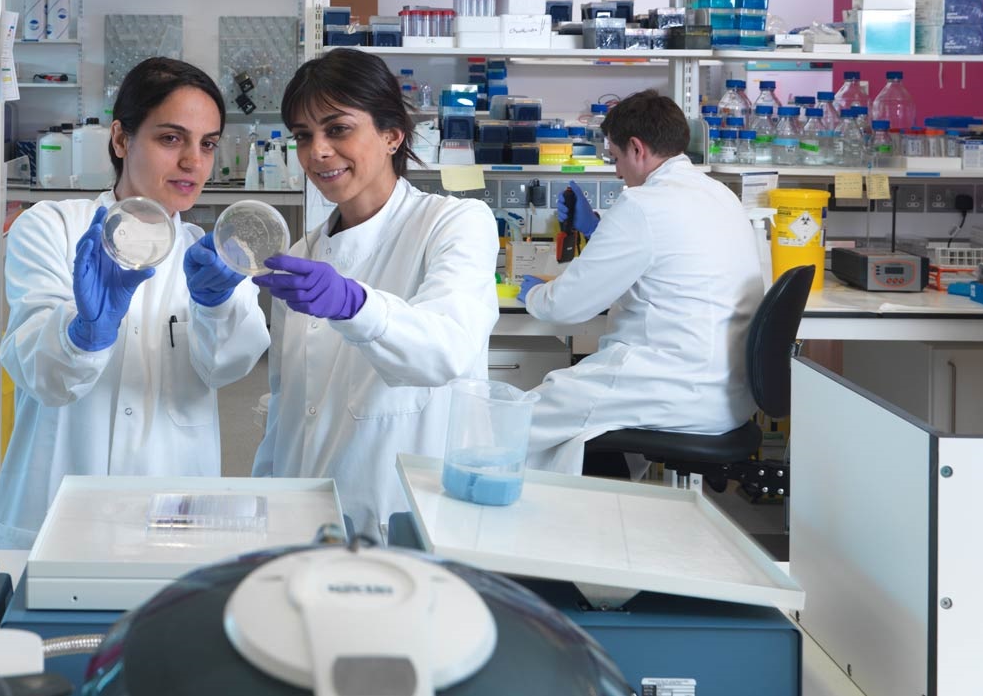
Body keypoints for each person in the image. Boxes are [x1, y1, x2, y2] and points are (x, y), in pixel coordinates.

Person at [0, 57, 268, 549]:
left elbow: (231, 365)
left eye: (207, 144)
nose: (193, 162)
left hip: (174, 515)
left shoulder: (213, 258)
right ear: (120, 139)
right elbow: (38, 375)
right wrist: (83, 335)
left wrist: (216, 305)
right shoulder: (53, 227)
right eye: (170, 138)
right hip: (56, 513)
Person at [252, 49, 499, 539]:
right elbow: (287, 409)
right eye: (303, 136)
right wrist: (269, 508)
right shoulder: (304, 255)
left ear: (392, 134)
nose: (317, 151)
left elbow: (447, 349)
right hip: (311, 520)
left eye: (337, 129)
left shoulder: (453, 223)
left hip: (413, 521)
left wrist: (356, 306)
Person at [519, 89, 767, 474]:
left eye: (616, 158)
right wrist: (597, 228)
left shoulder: (642, 205)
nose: (617, 172)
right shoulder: (720, 194)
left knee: (515, 422)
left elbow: (565, 306)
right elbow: (667, 255)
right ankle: (601, 513)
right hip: (727, 394)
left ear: (637, 149)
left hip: (671, 387)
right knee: (578, 430)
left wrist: (533, 290)